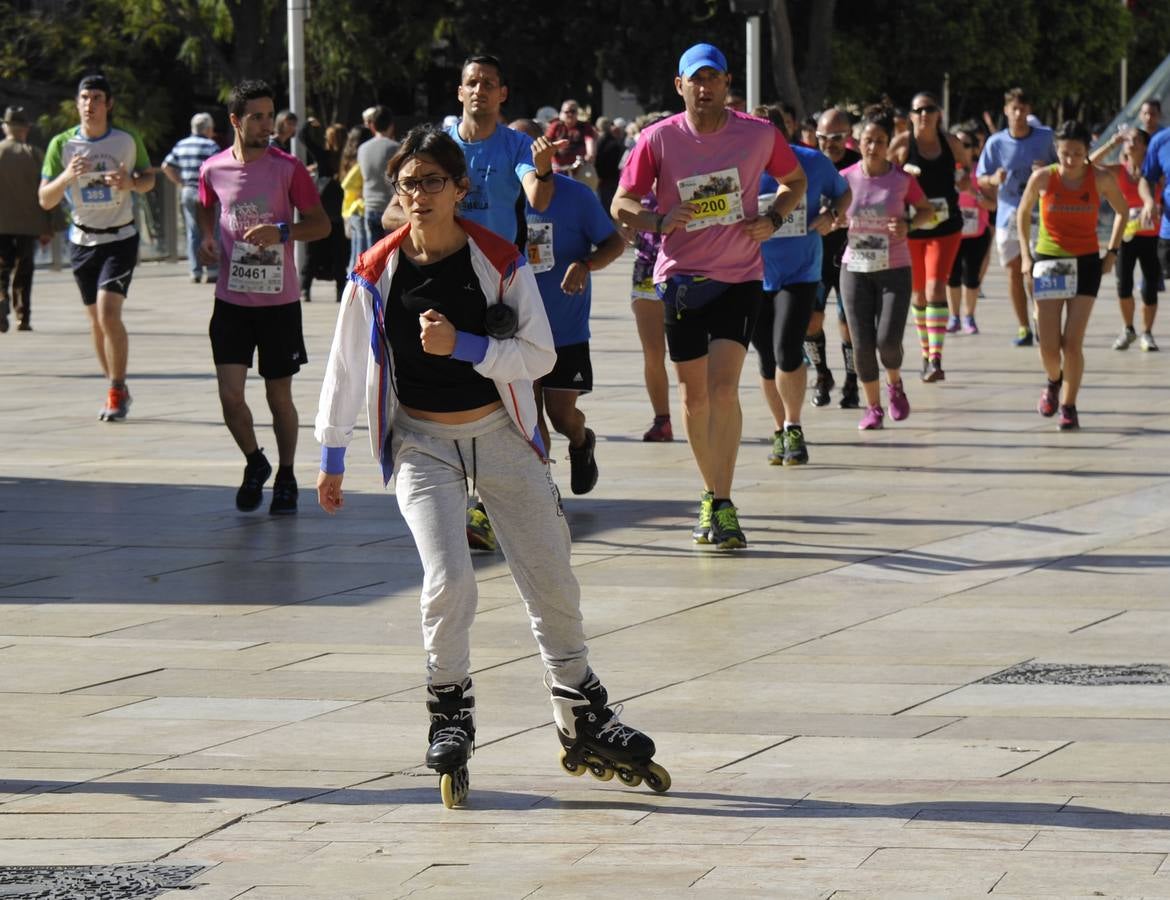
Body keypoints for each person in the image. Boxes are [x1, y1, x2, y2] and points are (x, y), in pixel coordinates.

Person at [314, 125, 668, 808]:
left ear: (460, 189)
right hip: (421, 444)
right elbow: (345, 363)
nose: (418, 195)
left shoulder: (498, 259)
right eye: (408, 183)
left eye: (432, 182)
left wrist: (465, 344)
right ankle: (449, 713)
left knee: (552, 579)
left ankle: (581, 712)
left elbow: (537, 356)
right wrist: (332, 455)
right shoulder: (376, 270)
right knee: (450, 581)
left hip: (501, 433)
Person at [612, 42, 807, 549]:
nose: (704, 88)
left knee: (724, 390)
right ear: (680, 86)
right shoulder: (657, 139)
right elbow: (621, 202)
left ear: (726, 84)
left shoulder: (758, 134)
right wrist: (657, 219)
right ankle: (709, 493)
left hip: (740, 277)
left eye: (713, 79)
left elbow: (794, 180)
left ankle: (722, 500)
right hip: (680, 280)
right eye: (694, 80)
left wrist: (773, 219)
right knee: (694, 396)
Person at [385, 54, 560, 552]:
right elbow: (394, 210)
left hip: (496, 286)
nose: (479, 90)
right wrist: (422, 224)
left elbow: (538, 197)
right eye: (471, 83)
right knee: (447, 386)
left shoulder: (518, 145)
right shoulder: (439, 145)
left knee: (521, 387)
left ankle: (535, 477)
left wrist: (543, 173)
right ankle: (462, 493)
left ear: (503, 93)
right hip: (439, 279)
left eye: (488, 83)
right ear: (458, 92)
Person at [196, 79, 330, 513]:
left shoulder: (287, 167)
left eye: (270, 116)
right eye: (257, 117)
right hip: (231, 300)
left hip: (279, 303)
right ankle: (256, 461)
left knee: (278, 398)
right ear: (235, 121)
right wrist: (205, 238)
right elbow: (205, 205)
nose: (266, 125)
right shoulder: (212, 168)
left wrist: (284, 231)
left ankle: (287, 474)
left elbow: (321, 224)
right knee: (230, 394)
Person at [511, 119, 625, 494]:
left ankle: (581, 441)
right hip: (514, 329)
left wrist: (585, 264)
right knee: (526, 413)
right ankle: (543, 489)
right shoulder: (497, 197)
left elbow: (614, 242)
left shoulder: (575, 196)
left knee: (560, 416)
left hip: (565, 327)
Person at [39, 74, 155, 421]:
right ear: (77, 104)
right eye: (85, 98)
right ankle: (114, 384)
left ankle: (116, 388)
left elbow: (149, 179)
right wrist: (67, 177)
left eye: (98, 98)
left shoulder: (127, 139)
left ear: (109, 104)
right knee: (95, 320)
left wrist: (130, 182)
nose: (91, 104)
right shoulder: (62, 144)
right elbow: (45, 199)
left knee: (108, 312)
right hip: (82, 240)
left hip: (119, 237)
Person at [750, 105, 850, 466]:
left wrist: (832, 215)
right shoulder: (741, 169)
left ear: (785, 134)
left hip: (801, 272)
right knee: (765, 356)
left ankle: (794, 426)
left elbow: (843, 194)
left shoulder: (813, 162)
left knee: (788, 349)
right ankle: (779, 431)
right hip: (753, 275)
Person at [1019, 120, 1127, 431]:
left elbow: (1122, 210)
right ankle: (1053, 380)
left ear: (1087, 152)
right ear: (1056, 150)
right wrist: (1026, 257)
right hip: (1050, 260)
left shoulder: (1100, 178)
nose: (1070, 160)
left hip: (1086, 263)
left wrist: (1112, 252)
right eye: (1065, 153)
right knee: (1049, 345)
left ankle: (1069, 405)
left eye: (1077, 154)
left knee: (1073, 343)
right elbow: (1024, 212)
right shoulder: (1043, 178)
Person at [838, 106, 935, 431]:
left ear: (888, 144)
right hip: (855, 267)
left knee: (887, 341)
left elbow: (926, 211)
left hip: (894, 267)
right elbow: (831, 211)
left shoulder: (901, 180)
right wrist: (835, 219)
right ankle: (873, 407)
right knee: (862, 343)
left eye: (880, 141)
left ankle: (895, 385)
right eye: (868, 140)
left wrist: (908, 223)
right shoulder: (845, 178)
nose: (873, 146)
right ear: (858, 142)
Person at [889, 91, 968, 383]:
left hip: (946, 227)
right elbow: (883, 177)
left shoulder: (950, 142)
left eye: (929, 109)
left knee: (936, 288)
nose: (924, 115)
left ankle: (936, 358)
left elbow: (967, 168)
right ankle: (925, 354)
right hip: (911, 228)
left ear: (939, 114)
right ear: (910, 116)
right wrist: (901, 171)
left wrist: (964, 178)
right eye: (918, 110)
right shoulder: (901, 144)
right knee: (919, 293)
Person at [976, 88, 1057, 347]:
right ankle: (1023, 327)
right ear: (1006, 110)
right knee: (1013, 272)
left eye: (1023, 108)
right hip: (1007, 215)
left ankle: (1040, 319)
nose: (1019, 113)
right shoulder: (996, 143)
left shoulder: (1046, 138)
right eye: (1014, 108)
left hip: (1039, 216)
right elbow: (980, 177)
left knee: (1035, 272)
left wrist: (1047, 171)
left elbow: (1066, 168)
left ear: (1029, 110)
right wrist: (993, 179)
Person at [810, 107, 862, 408]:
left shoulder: (858, 166)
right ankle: (821, 374)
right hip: (813, 257)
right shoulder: (807, 163)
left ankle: (852, 381)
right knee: (810, 320)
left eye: (836, 137)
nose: (828, 143)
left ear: (848, 137)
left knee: (847, 322)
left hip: (850, 256)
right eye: (822, 137)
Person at [1092, 127, 1161, 351]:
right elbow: (1088, 164)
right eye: (1127, 140)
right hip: (1126, 235)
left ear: (1145, 146)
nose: (1130, 143)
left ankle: (1147, 333)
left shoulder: (1158, 172)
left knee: (1149, 287)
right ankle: (1128, 328)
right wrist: (1112, 142)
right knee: (1124, 285)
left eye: (1136, 140)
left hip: (1152, 236)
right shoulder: (1119, 171)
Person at [0, 106, 52, 333]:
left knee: (1, 267)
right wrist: (48, 226)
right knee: (24, 269)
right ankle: (23, 315)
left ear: (5, 127)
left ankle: (0, 299)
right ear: (26, 128)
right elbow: (48, 191)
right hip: (29, 223)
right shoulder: (35, 154)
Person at [946, 124, 996, 335]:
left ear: (974, 149)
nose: (961, 148)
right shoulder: (944, 171)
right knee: (952, 276)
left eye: (966, 144)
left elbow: (992, 205)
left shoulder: (982, 172)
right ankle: (954, 317)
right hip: (951, 230)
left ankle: (969, 317)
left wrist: (973, 192)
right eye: (956, 144)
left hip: (976, 233)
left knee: (971, 277)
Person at [162, 112, 221, 284]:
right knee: (212, 230)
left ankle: (195, 271)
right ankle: (212, 270)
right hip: (207, 192)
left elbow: (166, 166)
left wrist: (180, 181)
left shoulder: (181, 145)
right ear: (208, 128)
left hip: (187, 190)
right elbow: (218, 169)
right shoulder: (211, 145)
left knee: (193, 231)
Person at [298, 119, 349, 302]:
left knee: (313, 253)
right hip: (341, 211)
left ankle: (305, 289)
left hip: (323, 210)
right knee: (339, 255)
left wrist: (308, 124)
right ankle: (340, 291)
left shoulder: (323, 156)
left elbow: (303, 138)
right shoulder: (348, 159)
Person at [358, 105, 398, 244]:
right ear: (391, 125)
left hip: (369, 205)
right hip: (389, 208)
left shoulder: (362, 148)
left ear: (373, 125)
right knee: (391, 256)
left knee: (373, 257)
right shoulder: (395, 148)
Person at [339, 126, 367, 272]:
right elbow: (347, 183)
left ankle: (350, 292)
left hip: (349, 210)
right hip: (359, 209)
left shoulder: (348, 157)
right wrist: (362, 191)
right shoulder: (361, 161)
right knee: (360, 259)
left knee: (355, 258)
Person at [546, 99, 596, 172]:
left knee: (590, 177)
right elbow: (547, 141)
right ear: (562, 113)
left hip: (580, 166)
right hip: (557, 167)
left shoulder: (585, 126)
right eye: (566, 112)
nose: (570, 114)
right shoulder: (555, 126)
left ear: (577, 113)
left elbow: (589, 141)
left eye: (573, 111)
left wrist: (590, 154)